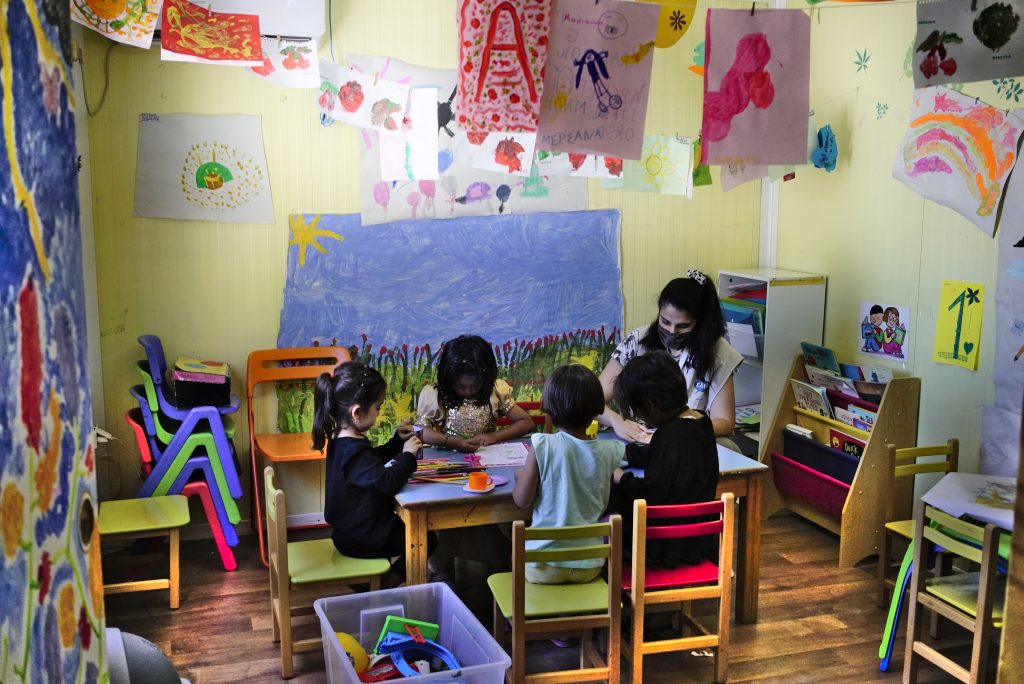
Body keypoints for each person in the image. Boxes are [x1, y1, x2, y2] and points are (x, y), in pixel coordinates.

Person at [311, 361, 428, 575]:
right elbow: (388, 482)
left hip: (351, 531)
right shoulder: (354, 451)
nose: (379, 411)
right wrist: (409, 455)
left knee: (416, 536)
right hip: (362, 537)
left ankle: (383, 585)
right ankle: (389, 587)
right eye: (378, 406)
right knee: (426, 540)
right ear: (356, 412)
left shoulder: (342, 440)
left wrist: (396, 444)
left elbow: (372, 461)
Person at [598, 270, 742, 440]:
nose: (672, 332)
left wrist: (678, 431)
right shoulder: (637, 341)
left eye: (683, 326)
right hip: (638, 439)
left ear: (700, 322)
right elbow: (592, 400)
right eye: (665, 321)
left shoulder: (719, 353)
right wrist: (617, 422)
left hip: (688, 438)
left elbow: (724, 422)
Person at [513, 364, 624, 584]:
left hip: (543, 568)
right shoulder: (611, 450)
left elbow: (522, 500)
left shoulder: (543, 444)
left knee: (512, 556)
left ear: (549, 409)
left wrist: (521, 476)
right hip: (590, 565)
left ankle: (516, 616)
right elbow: (601, 496)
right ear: (598, 409)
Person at [611, 351, 719, 567]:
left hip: (668, 544)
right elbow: (675, 459)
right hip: (699, 538)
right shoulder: (700, 422)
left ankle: (618, 572)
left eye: (639, 411)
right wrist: (626, 454)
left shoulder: (667, 436)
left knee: (615, 498)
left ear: (650, 406)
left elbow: (651, 494)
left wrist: (621, 477)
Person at [416, 334, 535, 451]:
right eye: (460, 386)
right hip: (449, 462)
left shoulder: (494, 391)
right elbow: (420, 430)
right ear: (448, 380)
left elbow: (526, 422)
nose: (468, 391)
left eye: (475, 385)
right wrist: (452, 442)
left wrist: (494, 436)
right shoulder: (436, 394)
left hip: (487, 460)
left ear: (486, 379)